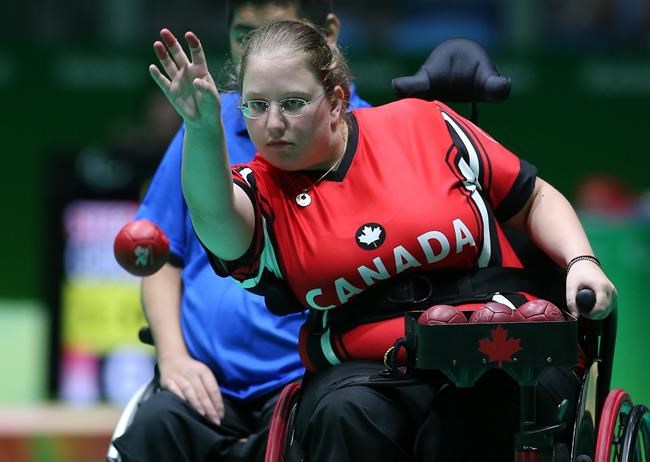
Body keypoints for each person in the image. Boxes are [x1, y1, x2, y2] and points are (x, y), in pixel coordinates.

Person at [149, 20, 617, 461]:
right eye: (256, 105)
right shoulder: (263, 192)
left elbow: (532, 198)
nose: (272, 124)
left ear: (335, 101)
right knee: (344, 414)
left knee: (475, 418)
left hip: (500, 341)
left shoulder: (424, 124)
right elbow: (214, 216)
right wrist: (202, 127)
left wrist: (581, 261)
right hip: (370, 370)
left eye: (292, 103)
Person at [112, 3, 370, 462]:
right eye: (244, 36)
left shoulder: (363, 133)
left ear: (327, 35)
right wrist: (173, 358)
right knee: (152, 425)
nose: (261, 50)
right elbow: (163, 257)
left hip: (308, 383)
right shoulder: (207, 122)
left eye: (277, 32)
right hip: (203, 383)